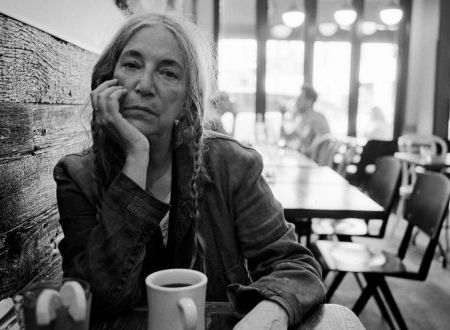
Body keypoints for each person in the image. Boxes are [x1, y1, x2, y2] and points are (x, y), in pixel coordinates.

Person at [53, 11, 325, 329]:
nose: (144, 85)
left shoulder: (230, 163)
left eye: (168, 73)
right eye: (131, 64)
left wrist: (266, 316)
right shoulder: (77, 176)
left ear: (187, 100)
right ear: (107, 82)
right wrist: (136, 159)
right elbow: (100, 300)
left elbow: (295, 265)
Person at [281, 85, 330, 156]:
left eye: (300, 98)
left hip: (314, 163)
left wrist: (303, 150)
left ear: (309, 101)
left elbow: (324, 141)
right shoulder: (302, 118)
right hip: (304, 159)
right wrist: (282, 116)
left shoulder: (318, 118)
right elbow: (289, 137)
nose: (297, 101)